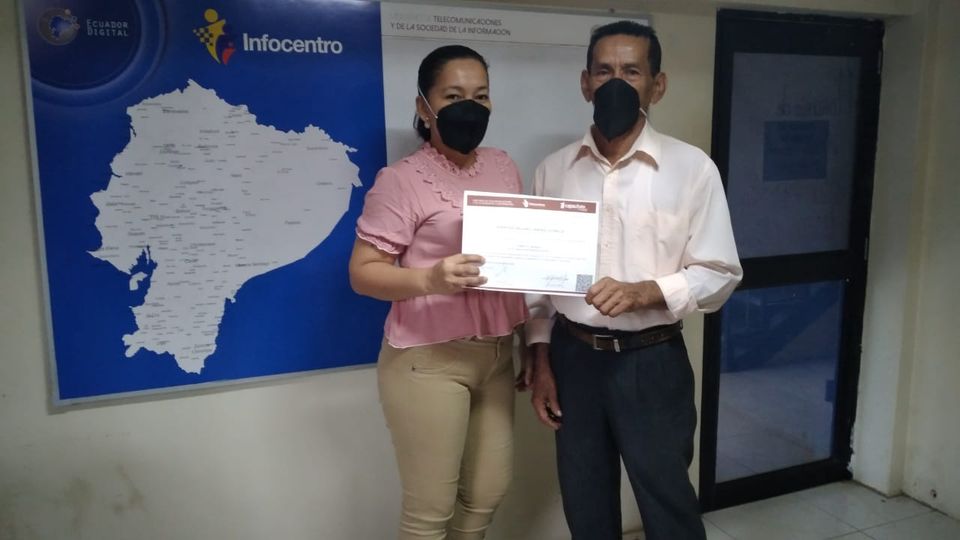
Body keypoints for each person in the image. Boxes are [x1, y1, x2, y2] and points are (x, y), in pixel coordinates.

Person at [524, 21, 743, 540]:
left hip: (652, 361)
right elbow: (538, 284)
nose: (616, 83)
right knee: (585, 503)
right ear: (585, 83)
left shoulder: (692, 169)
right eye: (604, 71)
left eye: (631, 72)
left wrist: (647, 291)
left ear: (657, 86)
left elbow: (720, 272)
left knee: (668, 506)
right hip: (572, 359)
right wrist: (541, 358)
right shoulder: (553, 171)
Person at [348, 45, 528, 540]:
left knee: (486, 494)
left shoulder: (503, 166)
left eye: (480, 96)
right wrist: (432, 279)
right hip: (428, 360)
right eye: (452, 96)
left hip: (497, 356)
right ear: (424, 107)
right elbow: (362, 273)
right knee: (430, 513)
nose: (469, 106)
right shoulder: (401, 180)